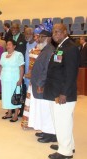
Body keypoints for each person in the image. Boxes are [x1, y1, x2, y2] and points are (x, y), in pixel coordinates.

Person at [43, 24, 80, 159]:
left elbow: (71, 73)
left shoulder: (70, 48)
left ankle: (65, 152)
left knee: (62, 122)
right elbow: (57, 68)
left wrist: (64, 93)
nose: (55, 34)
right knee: (64, 121)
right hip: (56, 91)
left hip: (63, 93)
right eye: (53, 32)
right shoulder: (61, 46)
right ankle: (68, 145)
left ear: (66, 32)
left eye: (58, 31)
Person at [29, 26, 57, 143]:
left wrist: (40, 83)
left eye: (41, 37)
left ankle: (50, 134)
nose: (38, 39)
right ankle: (46, 130)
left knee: (46, 111)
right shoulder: (45, 49)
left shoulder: (50, 50)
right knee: (42, 109)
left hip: (44, 86)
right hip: (39, 84)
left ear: (48, 38)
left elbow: (46, 70)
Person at [0, 39, 24, 122]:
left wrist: (20, 79)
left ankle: (16, 115)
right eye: (7, 44)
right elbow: (1, 66)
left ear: (14, 46)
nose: (8, 46)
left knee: (15, 96)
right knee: (7, 96)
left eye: (10, 44)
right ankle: (9, 113)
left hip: (14, 79)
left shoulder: (18, 54)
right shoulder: (3, 54)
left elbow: (21, 68)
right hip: (4, 79)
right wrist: (0, 77)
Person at [11, 23, 27, 117]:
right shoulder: (10, 37)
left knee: (21, 88)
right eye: (12, 28)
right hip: (12, 67)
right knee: (13, 87)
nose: (13, 30)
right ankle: (13, 107)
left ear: (19, 29)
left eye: (15, 28)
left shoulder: (23, 37)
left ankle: (21, 109)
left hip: (20, 66)